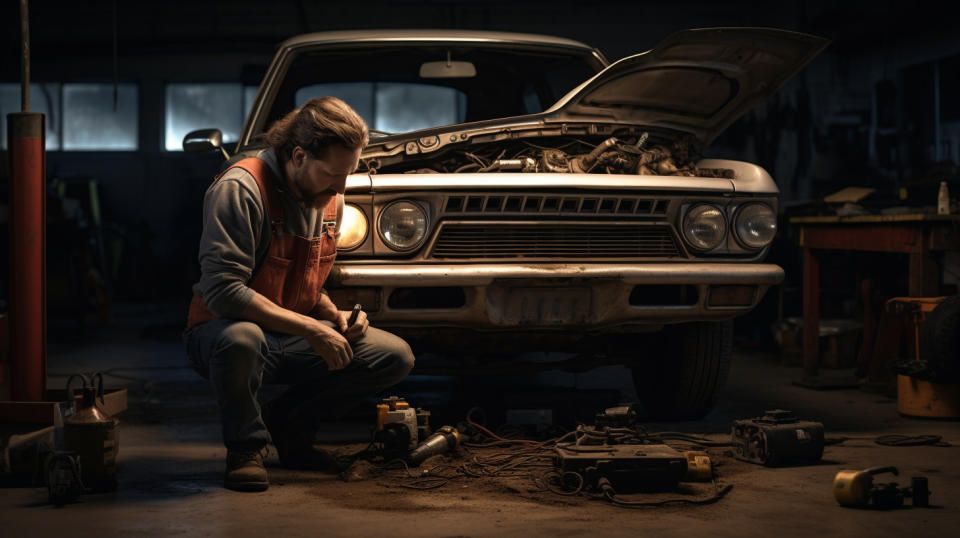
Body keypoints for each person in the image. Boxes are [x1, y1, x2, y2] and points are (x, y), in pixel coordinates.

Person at [183, 97, 414, 492]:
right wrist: (313, 330)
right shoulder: (241, 189)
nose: (342, 187)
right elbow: (222, 292)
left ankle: (290, 427)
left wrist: (334, 317)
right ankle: (245, 449)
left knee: (392, 356)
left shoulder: (330, 198)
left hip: (289, 334)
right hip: (222, 333)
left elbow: (307, 278)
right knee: (242, 339)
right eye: (332, 175)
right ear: (298, 156)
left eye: (349, 174)